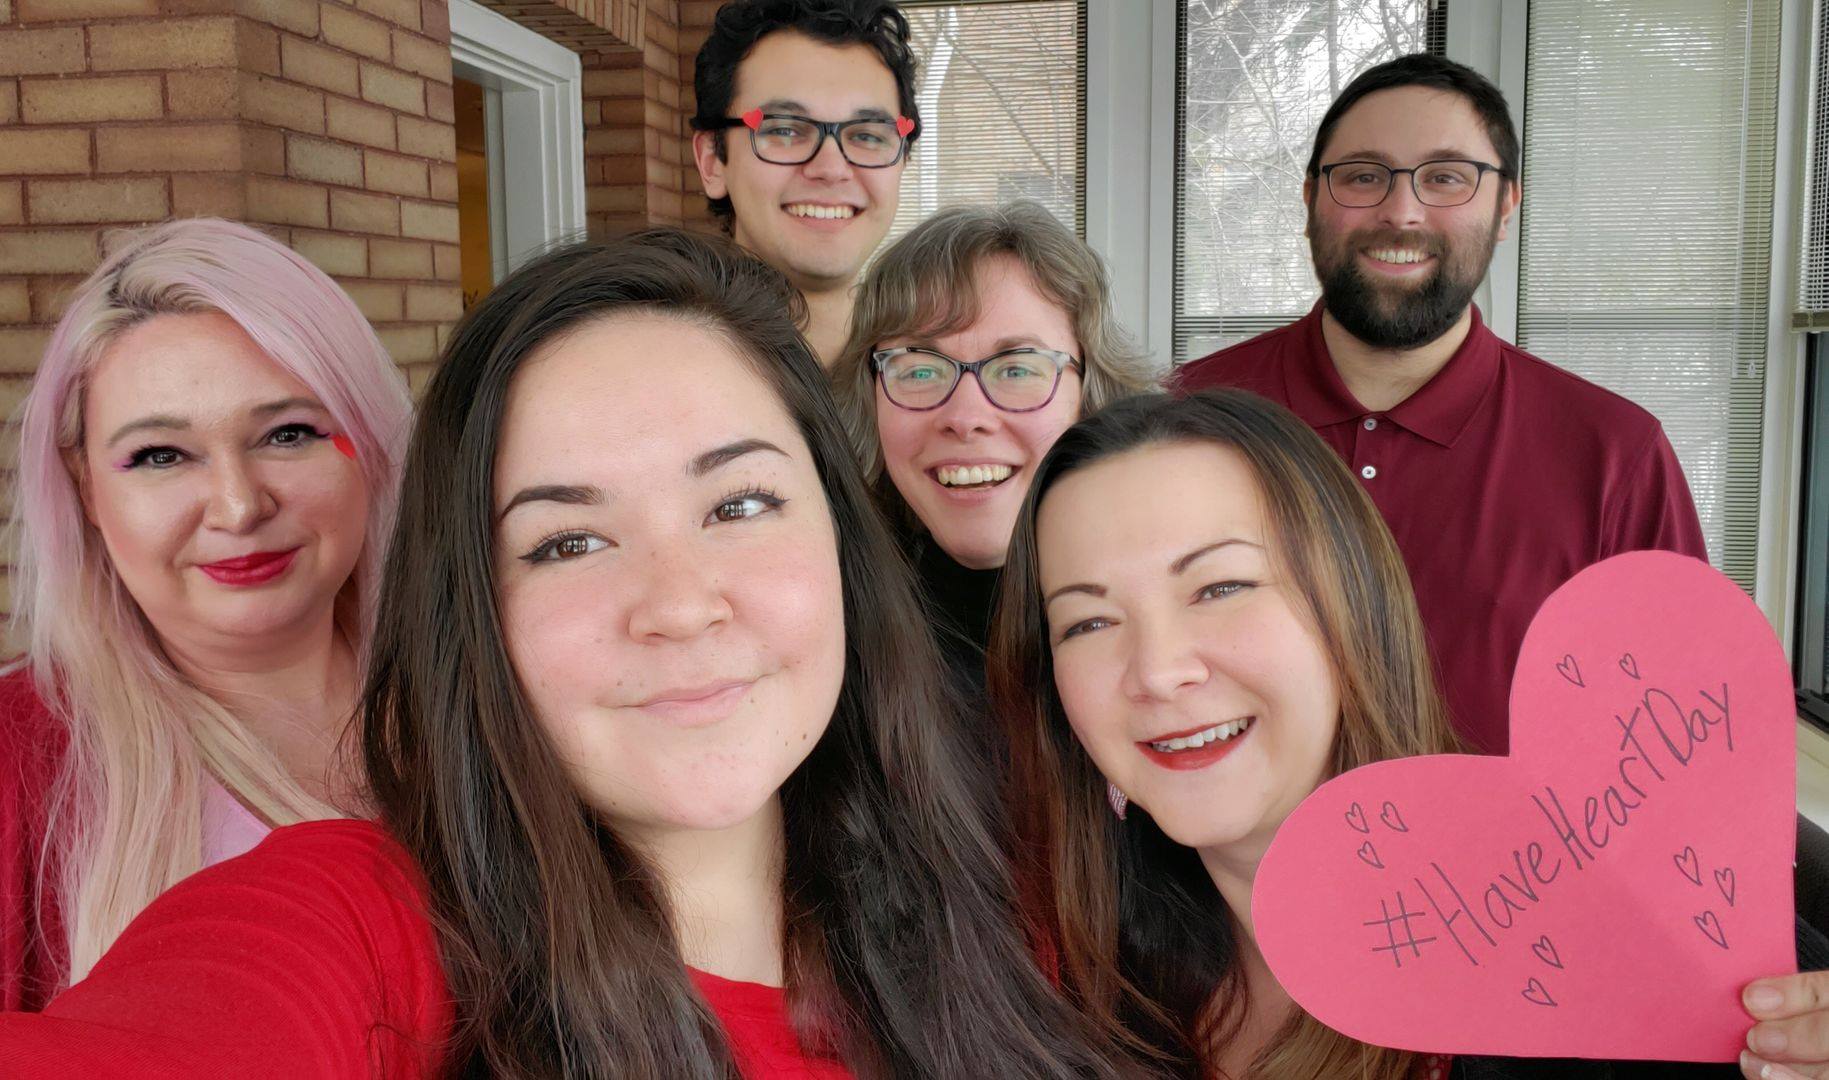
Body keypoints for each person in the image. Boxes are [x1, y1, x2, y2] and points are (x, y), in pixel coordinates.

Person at [0, 230, 1160, 1080]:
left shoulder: (1007, 882)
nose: (676, 604)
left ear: (845, 542)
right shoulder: (373, 920)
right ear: (475, 619)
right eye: (564, 539)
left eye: (740, 505)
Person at [989, 389, 1829, 1080]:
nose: (1156, 670)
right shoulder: (1048, 980)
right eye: (1088, 623)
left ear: (1349, 604)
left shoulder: (1636, 938)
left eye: (1218, 588)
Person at [1169, 54, 1706, 755]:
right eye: (1362, 176)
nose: (1401, 212)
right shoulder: (1179, 420)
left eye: (1446, 178)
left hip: (1516, 865)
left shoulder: (1613, 456)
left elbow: (1683, 734)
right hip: (1208, 864)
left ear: (1505, 206)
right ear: (1308, 201)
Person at [0, 218, 412, 1012]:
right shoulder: (17, 765)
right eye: (160, 455)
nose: (237, 505)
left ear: (366, 443)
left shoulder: (494, 696)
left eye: (289, 433)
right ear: (85, 487)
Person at [831, 200, 1156, 700]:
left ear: (1091, 394)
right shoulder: (829, 632)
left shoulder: (1177, 609)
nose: (965, 418)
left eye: (1017, 368)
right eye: (920, 369)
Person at [690, 0, 918, 368]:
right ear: (712, 161)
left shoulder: (945, 384)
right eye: (784, 130)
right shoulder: (655, 375)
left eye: (868, 136)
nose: (831, 168)